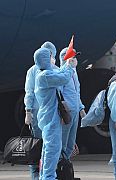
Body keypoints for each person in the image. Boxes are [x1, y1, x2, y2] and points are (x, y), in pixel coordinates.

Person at [33, 47, 76, 180]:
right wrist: (69, 66)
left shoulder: (45, 74)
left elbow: (60, 74)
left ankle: (45, 176)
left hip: (50, 117)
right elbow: (63, 78)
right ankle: (49, 176)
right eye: (51, 56)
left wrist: (66, 64)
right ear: (45, 59)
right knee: (53, 149)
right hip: (50, 118)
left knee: (48, 149)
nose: (53, 59)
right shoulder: (45, 76)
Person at [24, 41, 57, 180]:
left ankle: (40, 174)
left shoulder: (35, 70)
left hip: (41, 114)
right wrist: (28, 112)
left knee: (41, 146)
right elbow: (30, 92)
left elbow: (29, 92)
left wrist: (28, 112)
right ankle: (40, 174)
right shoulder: (52, 70)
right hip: (44, 114)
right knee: (41, 146)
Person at [59, 47, 86, 159]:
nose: (75, 59)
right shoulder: (61, 73)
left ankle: (66, 165)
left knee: (71, 142)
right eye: (72, 57)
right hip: (67, 113)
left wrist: (81, 109)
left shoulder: (74, 73)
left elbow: (76, 93)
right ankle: (60, 165)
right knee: (63, 142)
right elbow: (59, 95)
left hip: (74, 112)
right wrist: (61, 113)